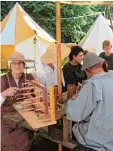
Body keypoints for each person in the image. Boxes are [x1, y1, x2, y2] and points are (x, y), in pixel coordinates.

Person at [66, 52, 113, 151]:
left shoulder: (92, 84)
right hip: (111, 135)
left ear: (88, 70)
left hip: (100, 139)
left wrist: (73, 99)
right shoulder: (111, 75)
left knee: (78, 126)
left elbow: (75, 114)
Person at [1, 52, 34, 151]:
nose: (17, 65)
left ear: (24, 65)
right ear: (10, 65)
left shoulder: (29, 77)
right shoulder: (2, 79)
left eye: (20, 63)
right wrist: (4, 93)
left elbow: (37, 95)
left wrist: (32, 92)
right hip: (6, 118)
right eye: (14, 63)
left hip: (25, 116)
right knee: (11, 142)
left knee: (28, 136)